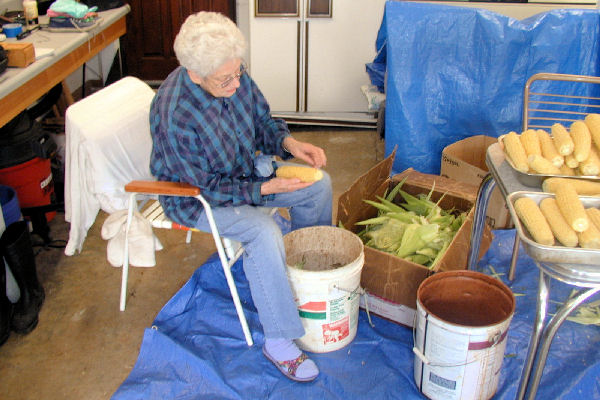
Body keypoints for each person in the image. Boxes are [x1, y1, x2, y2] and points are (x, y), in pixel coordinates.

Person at [149, 11, 333, 382]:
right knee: (262, 231)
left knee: (319, 185)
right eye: (225, 80)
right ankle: (279, 342)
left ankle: (304, 277)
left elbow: (262, 120)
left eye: (239, 72)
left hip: (244, 170)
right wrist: (264, 189)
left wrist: (289, 143)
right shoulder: (173, 112)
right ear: (195, 74)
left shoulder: (228, 71)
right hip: (197, 197)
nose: (236, 84)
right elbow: (204, 184)